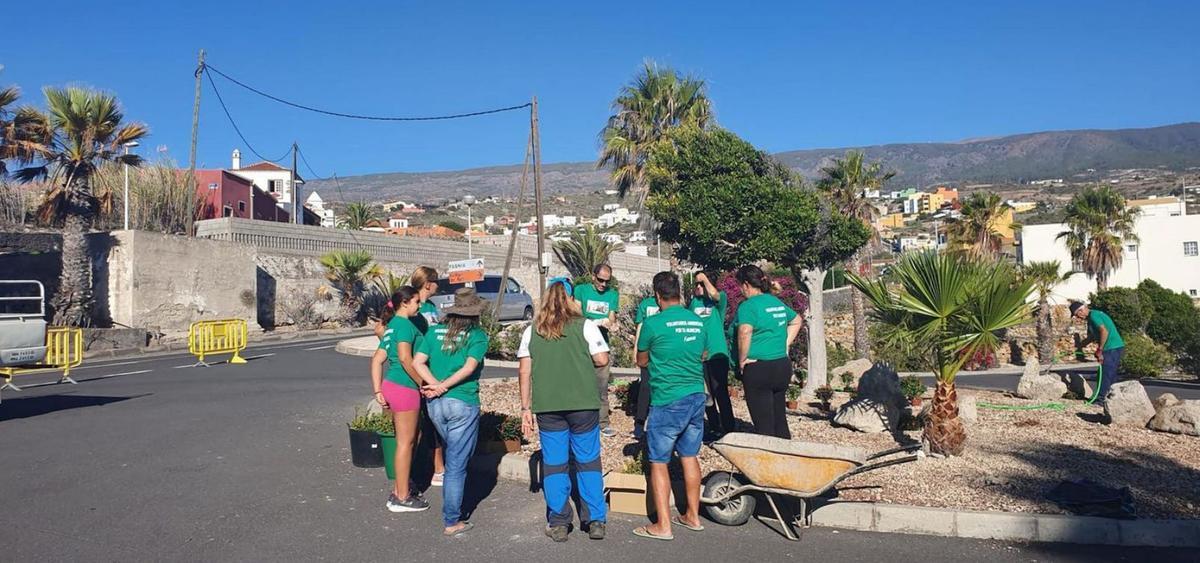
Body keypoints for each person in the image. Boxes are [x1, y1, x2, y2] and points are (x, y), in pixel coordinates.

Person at [517, 282, 611, 542]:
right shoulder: (585, 325)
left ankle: (559, 522)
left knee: (555, 464)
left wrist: (525, 407)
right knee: (588, 461)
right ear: (570, 299)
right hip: (583, 404)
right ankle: (594, 520)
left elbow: (524, 371)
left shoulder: (532, 331)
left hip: (548, 406)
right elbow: (602, 358)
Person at [633, 271, 713, 541]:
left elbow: (641, 360)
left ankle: (663, 525)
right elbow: (704, 354)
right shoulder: (697, 321)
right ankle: (693, 515)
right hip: (695, 396)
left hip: (667, 398)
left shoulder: (653, 324)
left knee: (658, 462)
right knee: (689, 456)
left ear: (657, 295)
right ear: (679, 293)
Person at [412, 288, 490, 537]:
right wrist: (444, 386)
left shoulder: (434, 331)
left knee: (450, 451)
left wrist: (434, 385)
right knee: (457, 464)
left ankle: (452, 510)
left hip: (436, 404)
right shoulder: (477, 336)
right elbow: (469, 367)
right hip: (462, 401)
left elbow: (417, 362)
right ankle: (452, 519)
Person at [369, 287, 430, 512]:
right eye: (416, 302)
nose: (419, 305)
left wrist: (378, 390)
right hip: (405, 388)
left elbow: (377, 360)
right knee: (406, 442)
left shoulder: (392, 325)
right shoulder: (404, 325)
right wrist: (423, 384)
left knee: (406, 440)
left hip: (392, 385)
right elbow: (406, 358)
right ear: (404, 303)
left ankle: (399, 489)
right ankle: (402, 497)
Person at [734, 265, 802, 439]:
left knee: (764, 425)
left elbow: (745, 332)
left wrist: (742, 359)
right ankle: (787, 457)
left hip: (759, 367)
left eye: (740, 285)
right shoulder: (774, 301)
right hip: (781, 366)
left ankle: (770, 462)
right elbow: (796, 320)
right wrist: (784, 344)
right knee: (779, 418)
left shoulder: (748, 306)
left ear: (746, 284)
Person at [573, 264, 620, 438]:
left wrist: (610, 323)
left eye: (607, 281)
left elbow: (612, 316)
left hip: (601, 345)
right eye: (600, 280)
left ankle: (603, 422)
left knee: (601, 384)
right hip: (581, 344)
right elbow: (576, 314)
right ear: (593, 277)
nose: (603, 284)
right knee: (580, 383)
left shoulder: (612, 294)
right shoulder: (581, 290)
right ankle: (580, 420)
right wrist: (594, 323)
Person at [409, 266, 445, 486]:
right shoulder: (412, 304)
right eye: (436, 281)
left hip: (432, 366)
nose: (438, 285)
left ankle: (438, 467)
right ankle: (430, 469)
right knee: (422, 422)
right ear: (428, 283)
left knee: (434, 419)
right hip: (416, 368)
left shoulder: (431, 306)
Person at [689, 270, 734, 438]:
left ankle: (729, 428)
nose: (698, 287)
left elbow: (715, 295)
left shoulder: (718, 301)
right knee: (705, 394)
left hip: (717, 354)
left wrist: (704, 279)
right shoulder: (694, 303)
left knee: (720, 392)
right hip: (700, 356)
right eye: (696, 285)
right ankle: (714, 426)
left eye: (701, 285)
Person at [1071, 301, 1125, 404]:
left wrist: (1100, 349)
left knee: (1105, 374)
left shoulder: (1093, 316)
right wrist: (1081, 345)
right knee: (1110, 374)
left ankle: (1100, 400)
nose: (1078, 318)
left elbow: (1104, 331)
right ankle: (1111, 399)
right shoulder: (1093, 316)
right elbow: (1092, 336)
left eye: (1077, 314)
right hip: (1115, 347)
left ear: (1081, 311)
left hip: (1111, 348)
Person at [630, 293, 661, 440]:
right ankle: (640, 422)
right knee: (645, 387)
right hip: (647, 350)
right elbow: (640, 327)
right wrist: (636, 348)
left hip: (663, 351)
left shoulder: (673, 303)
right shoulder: (646, 304)